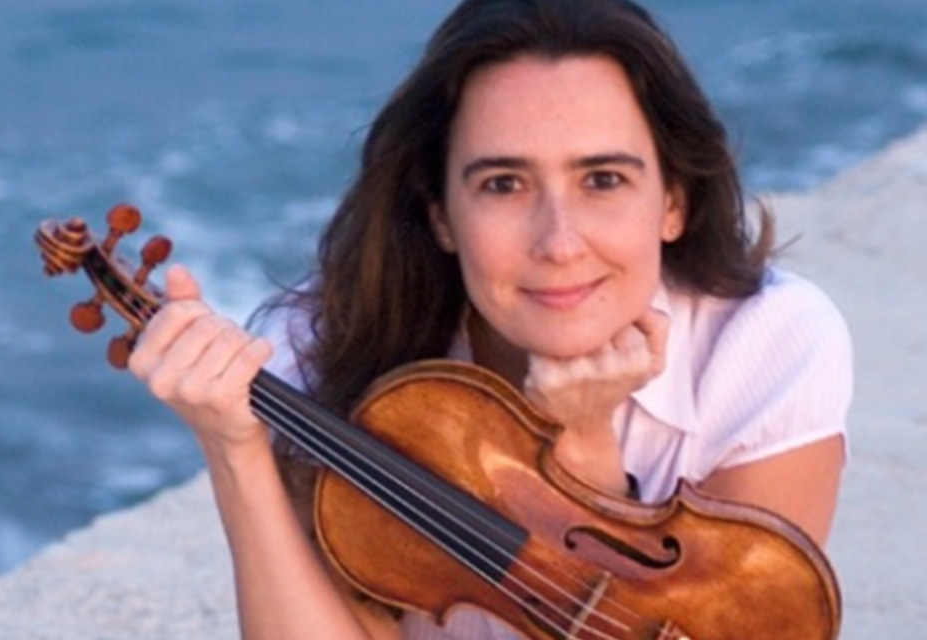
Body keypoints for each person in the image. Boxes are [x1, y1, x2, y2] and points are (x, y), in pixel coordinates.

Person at [127, 0, 853, 638]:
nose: (560, 242)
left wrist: (585, 449)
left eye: (603, 180)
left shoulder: (767, 347)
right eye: (503, 184)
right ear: (441, 213)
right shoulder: (324, 351)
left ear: (673, 202)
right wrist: (235, 451)